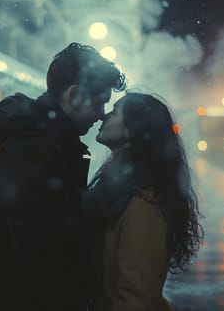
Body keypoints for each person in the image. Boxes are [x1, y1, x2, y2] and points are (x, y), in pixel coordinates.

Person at [0, 42, 126, 310]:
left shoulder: (42, 142)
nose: (102, 115)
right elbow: (40, 262)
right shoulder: (39, 153)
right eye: (100, 102)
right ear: (74, 94)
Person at [82, 92, 203, 310]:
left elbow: (137, 299)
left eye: (116, 111)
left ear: (133, 129)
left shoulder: (143, 203)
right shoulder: (121, 186)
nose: (104, 117)